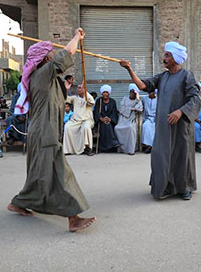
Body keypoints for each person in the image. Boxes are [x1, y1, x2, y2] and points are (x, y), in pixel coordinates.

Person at [8, 28, 96, 232]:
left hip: (44, 130)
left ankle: (19, 202)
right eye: (51, 53)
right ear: (45, 58)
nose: (54, 55)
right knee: (60, 173)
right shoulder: (42, 74)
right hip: (44, 131)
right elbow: (67, 56)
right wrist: (76, 38)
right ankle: (73, 218)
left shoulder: (46, 77)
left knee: (40, 173)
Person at [120, 41, 201, 200]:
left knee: (182, 156)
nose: (164, 58)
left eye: (167, 55)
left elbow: (196, 99)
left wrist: (180, 111)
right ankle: (163, 188)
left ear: (176, 59)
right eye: (165, 55)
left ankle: (184, 188)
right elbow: (143, 85)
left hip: (181, 125)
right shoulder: (162, 77)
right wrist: (129, 69)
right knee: (160, 155)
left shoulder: (187, 76)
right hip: (164, 125)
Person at [63, 84, 95, 156]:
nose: (78, 89)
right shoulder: (75, 98)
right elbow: (66, 99)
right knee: (67, 126)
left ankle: (88, 148)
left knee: (86, 127)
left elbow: (92, 102)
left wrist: (85, 92)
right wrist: (67, 89)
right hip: (76, 121)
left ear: (84, 89)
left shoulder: (88, 98)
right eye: (78, 88)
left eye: (80, 88)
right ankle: (68, 150)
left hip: (87, 120)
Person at [115, 84, 144, 155]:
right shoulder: (125, 99)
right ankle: (122, 148)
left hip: (132, 120)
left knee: (130, 128)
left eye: (133, 92)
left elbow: (140, 109)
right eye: (130, 92)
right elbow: (121, 109)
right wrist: (131, 109)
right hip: (123, 119)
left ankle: (131, 150)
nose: (131, 93)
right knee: (117, 128)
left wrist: (138, 99)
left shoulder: (138, 101)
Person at [93, 84, 119, 153]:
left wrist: (110, 119)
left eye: (106, 92)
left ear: (109, 93)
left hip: (110, 121)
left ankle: (109, 146)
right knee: (105, 126)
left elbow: (114, 112)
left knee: (108, 126)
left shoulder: (113, 101)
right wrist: (101, 118)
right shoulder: (99, 101)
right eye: (104, 92)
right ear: (102, 93)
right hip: (101, 121)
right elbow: (96, 112)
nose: (105, 94)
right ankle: (107, 146)